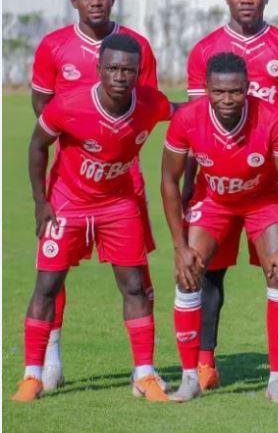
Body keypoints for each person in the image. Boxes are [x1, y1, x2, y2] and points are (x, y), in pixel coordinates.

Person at [13, 34, 171, 402]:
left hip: (118, 205)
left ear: (138, 73)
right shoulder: (69, 104)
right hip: (67, 204)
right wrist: (40, 201)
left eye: (128, 70)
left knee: (134, 286)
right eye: (112, 68)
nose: (120, 76)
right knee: (47, 287)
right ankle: (32, 375)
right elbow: (37, 145)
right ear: (99, 69)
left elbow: (184, 112)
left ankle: (144, 374)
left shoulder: (150, 102)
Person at [28, 0, 159, 391]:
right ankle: (50, 360)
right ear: (75, 2)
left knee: (136, 274)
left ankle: (144, 369)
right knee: (54, 271)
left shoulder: (137, 45)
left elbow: (151, 104)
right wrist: (84, 139)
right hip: (72, 173)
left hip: (125, 176)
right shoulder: (54, 46)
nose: (96, 2)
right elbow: (42, 108)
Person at [184, 0, 278, 394]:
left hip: (270, 186)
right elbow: (195, 124)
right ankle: (205, 362)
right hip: (216, 185)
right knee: (208, 272)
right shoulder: (204, 51)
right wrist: (189, 186)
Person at [161, 52, 278, 404]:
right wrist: (179, 247)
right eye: (219, 92)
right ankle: (190, 378)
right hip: (214, 200)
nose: (227, 99)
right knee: (189, 274)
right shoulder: (187, 119)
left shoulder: (272, 119)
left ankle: (277, 379)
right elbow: (168, 180)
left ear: (248, 88)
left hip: (262, 200)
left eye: (236, 92)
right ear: (206, 88)